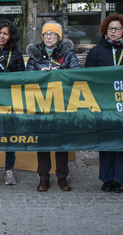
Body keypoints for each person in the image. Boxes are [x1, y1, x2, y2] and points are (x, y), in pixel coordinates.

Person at [85, 13, 123, 193]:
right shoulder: (96, 51)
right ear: (105, 30)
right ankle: (106, 178)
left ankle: (120, 179)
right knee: (106, 142)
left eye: (117, 28)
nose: (113, 32)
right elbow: (87, 78)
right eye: (110, 28)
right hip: (103, 104)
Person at [26, 21, 81, 192]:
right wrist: (38, 76)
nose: (49, 37)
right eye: (46, 34)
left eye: (52, 34)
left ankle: (62, 178)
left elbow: (76, 74)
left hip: (61, 104)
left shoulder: (69, 55)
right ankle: (43, 178)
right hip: (41, 104)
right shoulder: (35, 55)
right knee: (43, 142)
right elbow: (26, 76)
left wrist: (61, 75)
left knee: (61, 142)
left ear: (58, 37)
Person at [0, 18, 25, 185]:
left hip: (10, 101)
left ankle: (9, 170)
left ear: (10, 37)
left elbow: (22, 77)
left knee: (10, 137)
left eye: (5, 34)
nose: (1, 36)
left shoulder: (15, 54)